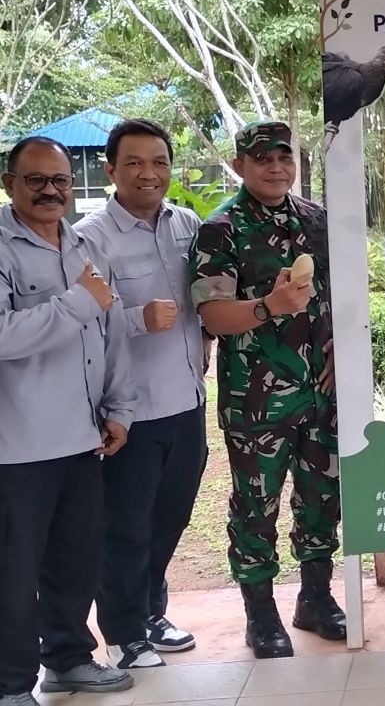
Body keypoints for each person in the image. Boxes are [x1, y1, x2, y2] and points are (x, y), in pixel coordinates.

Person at [189, 121, 344, 659]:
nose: (276, 166)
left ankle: (316, 600)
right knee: (257, 506)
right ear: (239, 165)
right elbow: (212, 314)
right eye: (262, 158)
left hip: (322, 393)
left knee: (324, 498)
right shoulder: (221, 229)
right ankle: (261, 616)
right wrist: (269, 307)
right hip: (258, 400)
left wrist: (339, 348)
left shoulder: (318, 221)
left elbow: (340, 301)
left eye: (284, 156)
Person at [0, 136, 136, 705]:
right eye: (36, 179)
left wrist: (119, 407)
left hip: (82, 438)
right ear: (10, 183)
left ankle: (68, 659)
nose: (52, 189)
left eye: (59, 178)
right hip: (18, 446)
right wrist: (78, 301)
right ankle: (9, 686)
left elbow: (111, 334)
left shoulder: (83, 247)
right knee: (13, 574)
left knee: (74, 560)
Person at [75, 119, 210, 669]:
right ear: (111, 170)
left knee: (170, 516)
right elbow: (83, 320)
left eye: (158, 162)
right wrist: (136, 318)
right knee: (125, 525)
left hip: (188, 401)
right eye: (134, 163)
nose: (148, 173)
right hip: (130, 409)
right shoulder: (90, 237)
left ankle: (151, 610)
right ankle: (124, 632)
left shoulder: (189, 224)